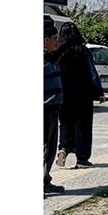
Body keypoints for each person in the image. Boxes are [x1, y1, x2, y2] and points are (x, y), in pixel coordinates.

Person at [55, 22, 105, 169]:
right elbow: (92, 72)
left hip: (64, 95)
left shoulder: (58, 53)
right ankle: (82, 158)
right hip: (83, 96)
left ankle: (64, 148)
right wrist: (99, 92)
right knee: (82, 126)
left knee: (65, 123)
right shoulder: (82, 51)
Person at [44, 16, 65, 194]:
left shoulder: (51, 58)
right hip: (43, 110)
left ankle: (45, 180)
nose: (57, 43)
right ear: (45, 40)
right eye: (55, 39)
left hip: (53, 109)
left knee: (50, 148)